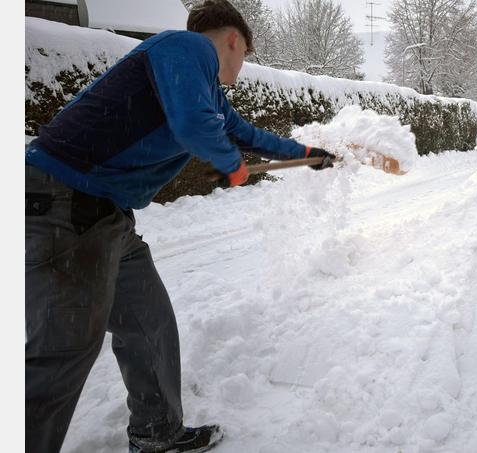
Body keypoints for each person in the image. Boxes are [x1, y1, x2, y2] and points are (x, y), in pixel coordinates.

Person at [24, 1, 335, 451]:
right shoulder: (183, 46)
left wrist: (307, 152)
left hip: (105, 216)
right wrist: (232, 167)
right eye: (245, 55)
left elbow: (245, 134)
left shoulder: (204, 88)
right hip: (65, 200)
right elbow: (194, 127)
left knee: (148, 322)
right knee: (63, 351)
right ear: (234, 40)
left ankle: (156, 433)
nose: (241, 67)